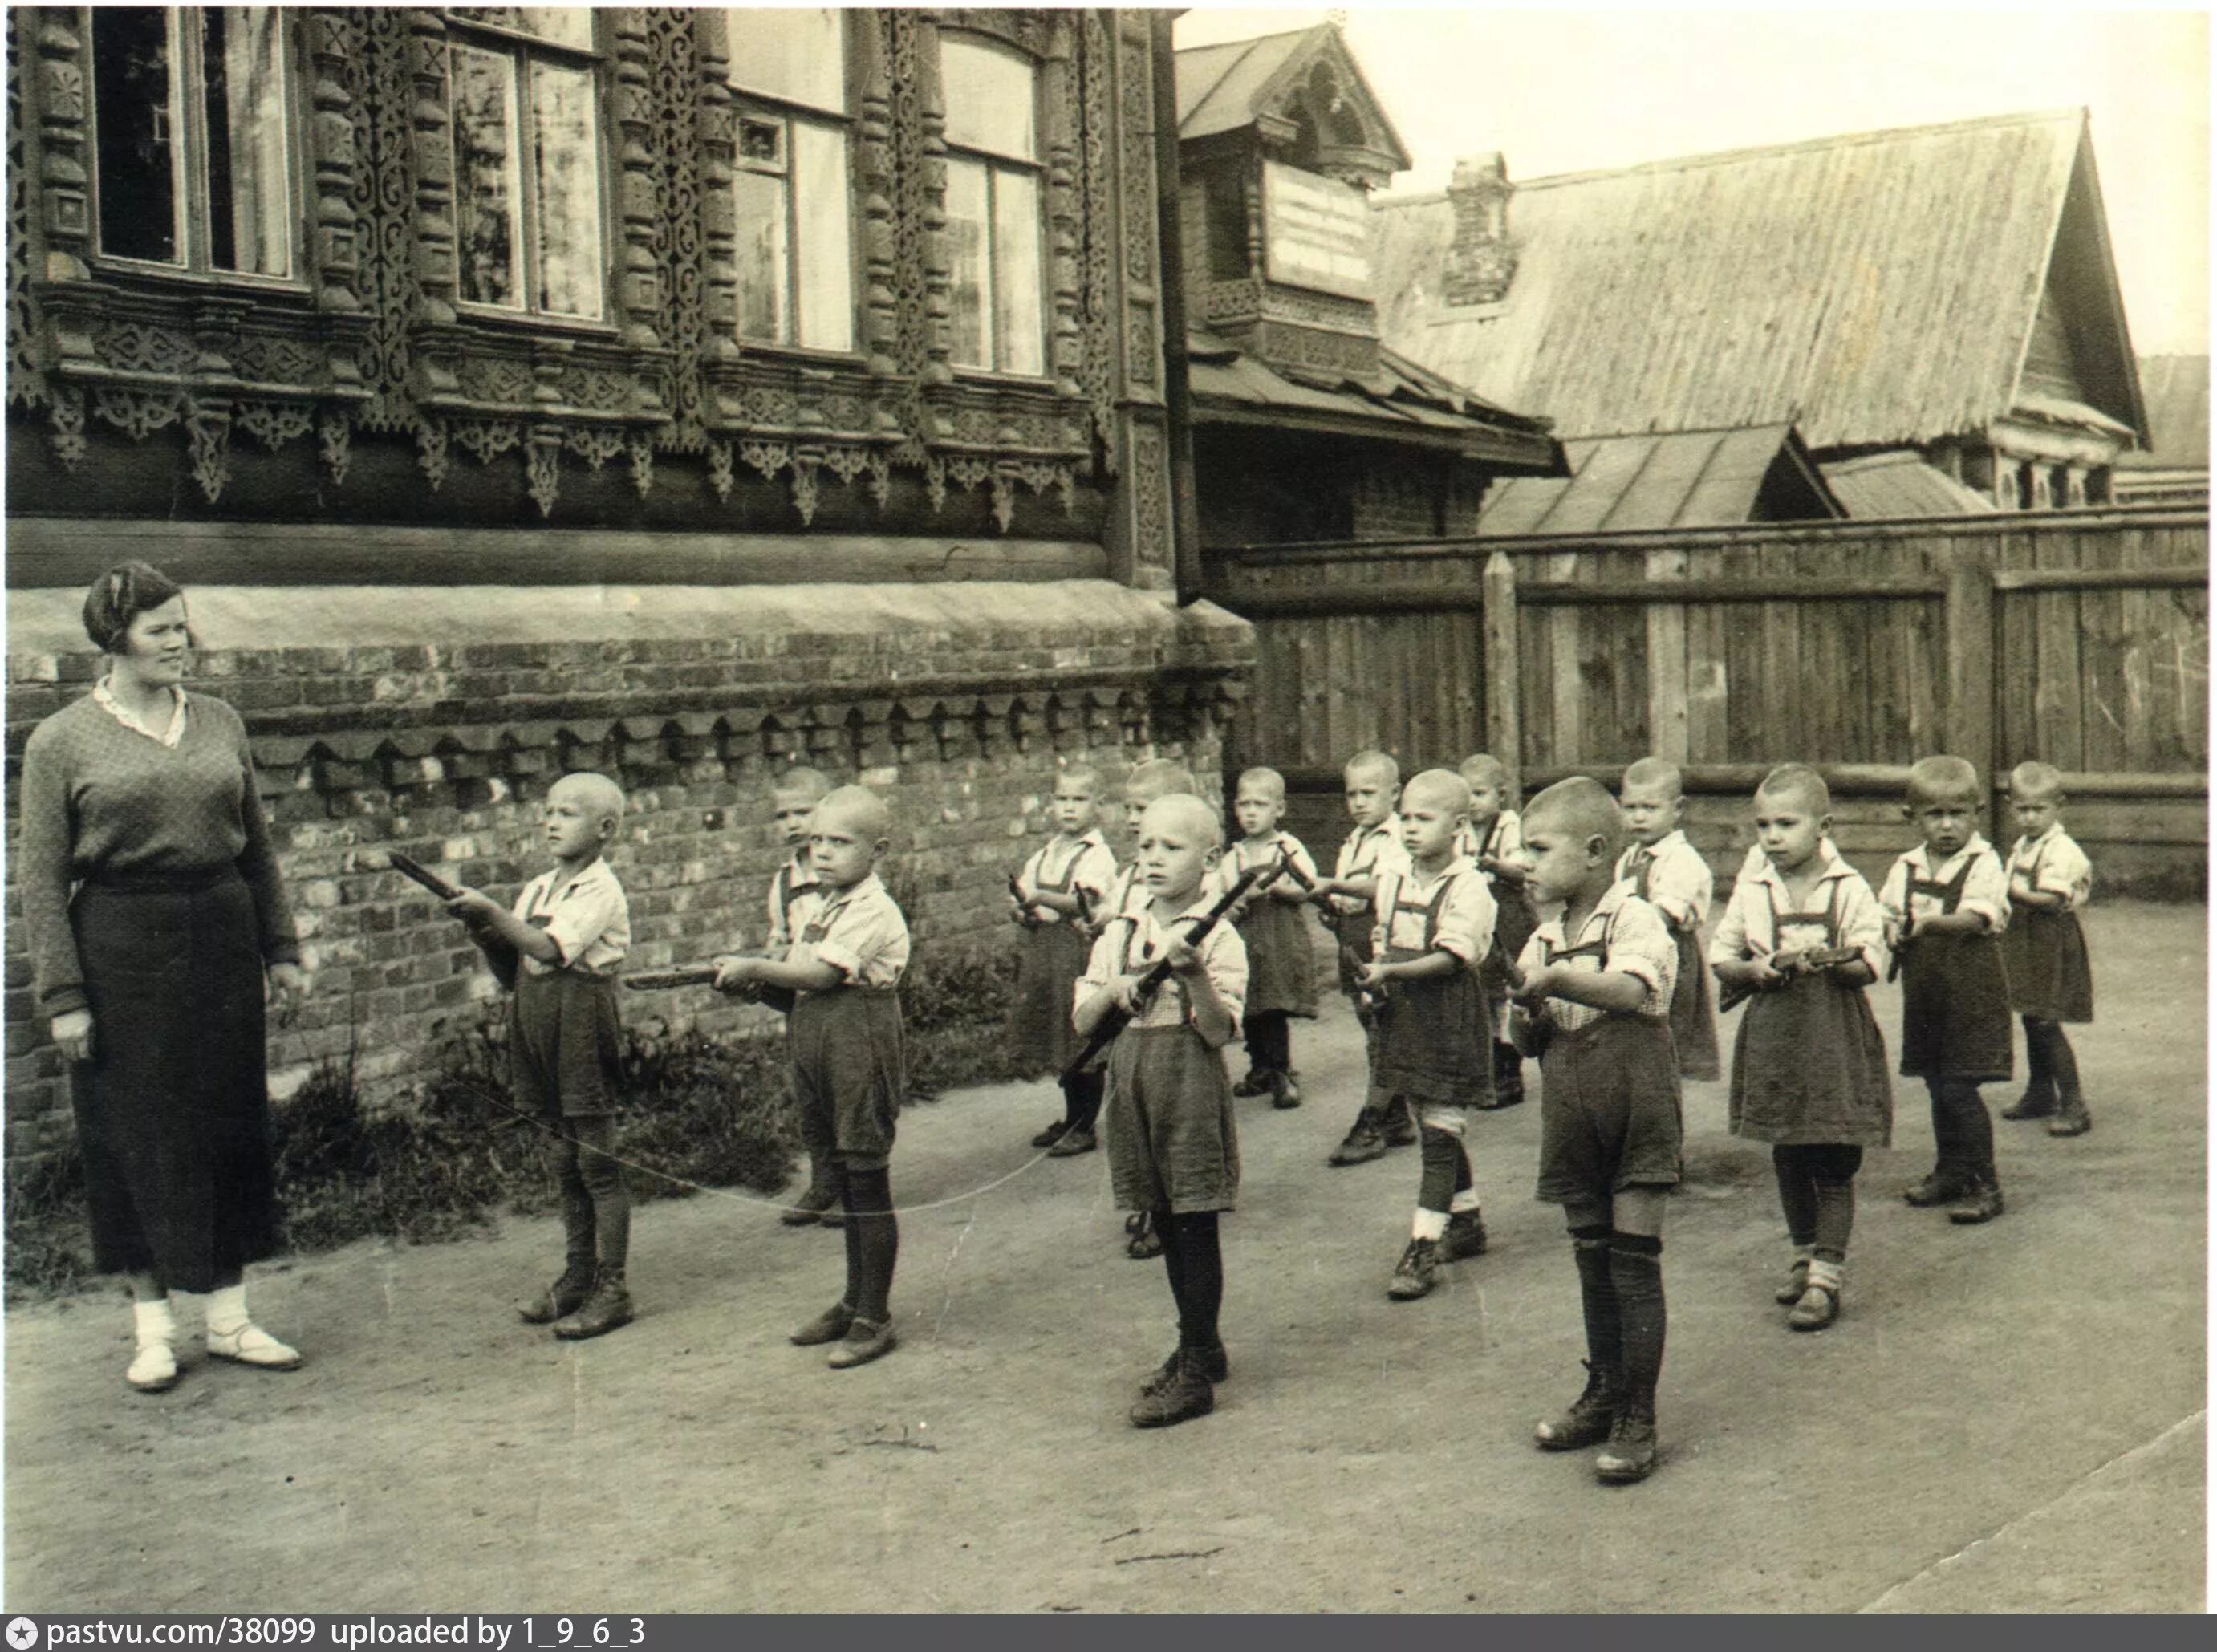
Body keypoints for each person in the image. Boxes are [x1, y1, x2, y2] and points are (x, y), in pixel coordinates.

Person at [18, 562, 311, 1391]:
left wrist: (279, 948)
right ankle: (153, 1330)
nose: (181, 642)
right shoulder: (61, 741)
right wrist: (65, 995)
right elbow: (40, 879)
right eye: (161, 630)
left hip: (219, 934)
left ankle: (229, 1317)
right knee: (133, 1132)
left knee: (227, 1120)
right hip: (120, 944)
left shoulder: (219, 720)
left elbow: (254, 846)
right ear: (116, 640)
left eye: (184, 626)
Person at [1510, 777, 1681, 1484]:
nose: (1524, 862)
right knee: (1590, 1256)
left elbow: (1631, 990)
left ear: (1592, 852)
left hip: (1635, 1104)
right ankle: (1604, 1387)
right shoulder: (1543, 936)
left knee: (1632, 1261)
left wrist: (1552, 982)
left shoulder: (1635, 918)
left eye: (1537, 848)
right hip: (1571, 1108)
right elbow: (1524, 1044)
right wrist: (1527, 1011)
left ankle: (1638, 1414)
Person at [717, 785, 910, 1369]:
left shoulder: (873, 908)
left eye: (839, 842)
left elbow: (824, 978)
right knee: (842, 1178)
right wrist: (763, 986)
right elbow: (798, 990)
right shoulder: (821, 906)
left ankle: (874, 1313)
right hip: (815, 1042)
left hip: (859, 1043)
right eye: (817, 840)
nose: (822, 852)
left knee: (867, 1180)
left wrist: (757, 965)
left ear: (876, 850)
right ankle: (851, 1298)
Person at [1074, 794, 1249, 1428]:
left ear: (1210, 859)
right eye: (1144, 845)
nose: (1152, 858)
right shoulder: (1120, 929)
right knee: (1164, 1219)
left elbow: (1217, 1030)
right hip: (1132, 1083)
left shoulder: (1220, 933)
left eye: (1170, 848)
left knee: (1193, 1217)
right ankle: (1197, 1340)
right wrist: (1118, 990)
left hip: (1188, 1084)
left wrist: (1195, 974)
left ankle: (1197, 1368)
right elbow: (1083, 1017)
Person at [447, 772, 637, 1339]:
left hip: (580, 1022)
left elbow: (550, 948)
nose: (552, 822)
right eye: (548, 811)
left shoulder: (602, 889)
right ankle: (578, 1274)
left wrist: (493, 912)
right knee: (561, 1156)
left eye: (568, 813)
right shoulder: (537, 888)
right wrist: (485, 931)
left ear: (604, 829)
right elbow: (515, 969)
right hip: (535, 1020)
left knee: (596, 1160)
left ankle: (614, 1286)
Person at [1710, 766, 1891, 1330]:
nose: (1771, 836)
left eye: (1786, 823)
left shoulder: (1848, 887)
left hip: (1832, 1034)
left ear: (1823, 826)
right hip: (1775, 1035)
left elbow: (1872, 961)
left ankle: (1826, 1276)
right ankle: (1803, 1253)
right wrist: (1753, 967)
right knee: (1786, 1148)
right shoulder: (1754, 887)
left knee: (1832, 1153)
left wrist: (1838, 961)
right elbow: (1721, 954)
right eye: (1762, 824)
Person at [1360, 771, 1496, 1301]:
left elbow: (1451, 956)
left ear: (1459, 825)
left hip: (1447, 1020)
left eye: (1425, 819)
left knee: (1438, 1134)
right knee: (1430, 1121)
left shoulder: (1468, 886)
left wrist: (1390, 973)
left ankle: (1422, 1244)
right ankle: (1465, 1220)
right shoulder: (1394, 874)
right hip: (1404, 1016)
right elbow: (1384, 934)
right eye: (1406, 818)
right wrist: (1376, 976)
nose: (1410, 829)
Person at [1879, 756, 2013, 1225]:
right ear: (1912, 817)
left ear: (1977, 812)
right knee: (1937, 1085)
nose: (1947, 826)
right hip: (1927, 994)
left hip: (1972, 995)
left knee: (1960, 1087)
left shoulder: (1984, 862)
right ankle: (1950, 1169)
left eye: (1958, 814)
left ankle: (1986, 1183)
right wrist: (1895, 931)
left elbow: (1979, 917)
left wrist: (1930, 922)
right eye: (1935, 815)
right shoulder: (1905, 866)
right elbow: (1891, 915)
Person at [1098, 758, 1199, 1260]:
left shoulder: (1192, 880)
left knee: (1176, 1118)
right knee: (1131, 1112)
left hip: (1176, 1011)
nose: (1136, 819)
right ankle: (1147, 1197)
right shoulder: (1130, 874)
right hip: (1128, 1003)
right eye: (1130, 810)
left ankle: (1179, 1206)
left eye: (1147, 808)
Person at [1310, 750, 1415, 1166]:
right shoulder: (1353, 840)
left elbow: (1382, 888)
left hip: (1380, 943)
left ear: (1395, 794)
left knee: (1382, 1034)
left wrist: (1337, 885)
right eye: (1351, 793)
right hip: (1352, 942)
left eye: (1368, 793)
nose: (1358, 802)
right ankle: (1396, 1117)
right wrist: (1332, 904)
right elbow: (1347, 894)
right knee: (1369, 1025)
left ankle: (1372, 1121)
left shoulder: (1397, 838)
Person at [1008, 764, 1118, 1155]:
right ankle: (1071, 1117)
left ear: (1098, 805)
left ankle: (1085, 1125)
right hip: (1045, 955)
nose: (1069, 808)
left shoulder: (1096, 855)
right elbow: (1022, 896)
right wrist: (1023, 910)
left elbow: (1082, 902)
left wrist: (1040, 898)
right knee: (1058, 1035)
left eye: (1079, 799)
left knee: (1080, 1039)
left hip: (1077, 954)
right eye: (1063, 799)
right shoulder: (1048, 852)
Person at [761, 766, 843, 1228]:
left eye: (802, 811)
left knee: (849, 1099)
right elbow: (781, 934)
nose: (791, 823)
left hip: (846, 999)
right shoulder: (782, 881)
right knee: (811, 1098)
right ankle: (824, 1182)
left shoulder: (847, 870)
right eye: (781, 815)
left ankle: (858, 1190)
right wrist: (771, 958)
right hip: (804, 1004)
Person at [1998, 761, 2095, 1138]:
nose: (2030, 817)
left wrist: (2012, 892)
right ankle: (2040, 1092)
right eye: (2022, 809)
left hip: (2050, 939)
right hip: (2024, 937)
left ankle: (2074, 1103)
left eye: (2039, 809)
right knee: (2029, 1014)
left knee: (2045, 1020)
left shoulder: (2062, 849)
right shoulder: (2024, 845)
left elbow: (2053, 901)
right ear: (2011, 806)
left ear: (2059, 806)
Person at [1615, 758, 1721, 1082]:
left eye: (1649, 807)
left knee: (1665, 1037)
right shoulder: (1628, 858)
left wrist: (1619, 924)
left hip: (1669, 960)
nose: (1638, 816)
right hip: (1631, 952)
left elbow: (1662, 915)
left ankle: (1661, 1106)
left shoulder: (1681, 859)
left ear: (1676, 809)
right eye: (1630, 807)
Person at [1221, 768, 1319, 1110]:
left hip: (1278, 936)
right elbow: (1222, 898)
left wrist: (1281, 888)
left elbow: (1307, 887)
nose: (1250, 812)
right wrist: (1232, 906)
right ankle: (1259, 1067)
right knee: (1250, 1003)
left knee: (1273, 1003)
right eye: (1244, 804)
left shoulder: (1286, 847)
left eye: (1259, 805)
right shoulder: (1234, 856)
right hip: (1245, 938)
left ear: (1279, 809)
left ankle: (1281, 1070)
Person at [1458, 752, 1535, 1110]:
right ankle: (1485, 1067)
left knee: (1505, 990)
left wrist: (1496, 865)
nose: (1472, 803)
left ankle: (1509, 1072)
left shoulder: (1508, 826)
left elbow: (1524, 870)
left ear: (1500, 796)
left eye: (1479, 793)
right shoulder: (1459, 829)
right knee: (1480, 992)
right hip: (1476, 917)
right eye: (1467, 795)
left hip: (1506, 917)